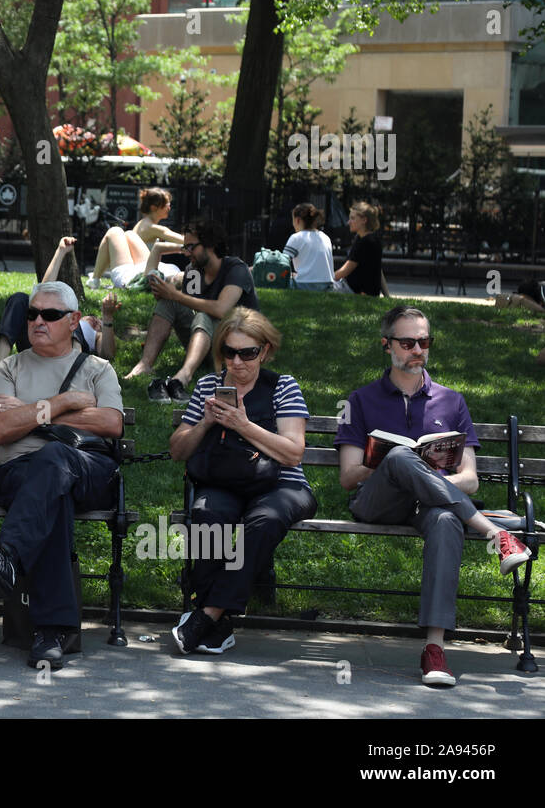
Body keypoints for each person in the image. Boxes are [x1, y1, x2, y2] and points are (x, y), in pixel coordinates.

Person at [335, 305, 531, 686]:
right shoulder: (359, 400)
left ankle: (435, 649)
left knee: (445, 519)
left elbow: (470, 480)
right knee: (399, 456)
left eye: (424, 342)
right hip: (378, 502)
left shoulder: (452, 401)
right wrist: (396, 465)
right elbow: (347, 477)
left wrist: (425, 481)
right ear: (386, 344)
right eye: (407, 342)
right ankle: (495, 534)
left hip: (432, 506)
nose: (417, 349)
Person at [0, 281, 124, 669]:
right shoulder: (8, 368)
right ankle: (53, 632)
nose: (37, 321)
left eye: (49, 315)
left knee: (54, 458)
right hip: (19, 474)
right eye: (32, 314)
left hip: (87, 468)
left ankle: (9, 558)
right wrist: (62, 403)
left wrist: (28, 412)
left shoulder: (98, 369)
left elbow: (111, 423)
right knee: (54, 494)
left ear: (74, 321)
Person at [166, 308, 316, 655]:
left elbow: (294, 453)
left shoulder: (282, 386)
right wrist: (204, 423)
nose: (237, 361)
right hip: (225, 481)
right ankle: (218, 627)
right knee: (207, 514)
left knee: (263, 521)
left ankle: (206, 615)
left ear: (264, 351)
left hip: (282, 485)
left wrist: (242, 424)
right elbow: (177, 450)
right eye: (229, 352)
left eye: (247, 352)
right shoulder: (208, 385)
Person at [124, 218, 260, 405]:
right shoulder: (194, 271)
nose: (187, 253)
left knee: (203, 313)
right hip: (206, 342)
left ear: (210, 245)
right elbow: (190, 307)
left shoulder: (236, 269)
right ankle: (144, 364)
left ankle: (183, 376)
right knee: (169, 304)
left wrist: (177, 296)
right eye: (185, 247)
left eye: (191, 247)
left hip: (235, 350)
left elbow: (221, 309)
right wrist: (168, 295)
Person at [0, 237, 118, 367]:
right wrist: (61, 252)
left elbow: (107, 354)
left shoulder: (95, 335)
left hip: (63, 354)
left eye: (98, 323)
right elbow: (44, 292)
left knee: (69, 316)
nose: (95, 320)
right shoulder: (59, 318)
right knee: (19, 299)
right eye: (93, 317)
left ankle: (72, 367)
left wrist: (107, 317)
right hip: (37, 342)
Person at [89, 187, 186, 289]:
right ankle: (95, 278)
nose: (169, 208)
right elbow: (183, 240)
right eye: (167, 205)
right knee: (122, 232)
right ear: (154, 208)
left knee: (124, 233)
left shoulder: (144, 224)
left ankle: (95, 278)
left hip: (140, 268)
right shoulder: (151, 227)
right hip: (140, 267)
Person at [332, 201, 384, 295]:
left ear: (364, 220)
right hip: (352, 288)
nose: (349, 222)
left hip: (354, 291)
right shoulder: (363, 238)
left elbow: (345, 270)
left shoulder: (366, 242)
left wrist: (324, 280)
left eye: (352, 218)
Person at [282, 202, 334, 291]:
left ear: (297, 220)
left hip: (304, 284)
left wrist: (284, 275)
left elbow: (282, 263)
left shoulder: (296, 237)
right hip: (327, 285)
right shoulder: (325, 237)